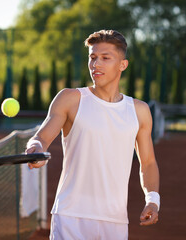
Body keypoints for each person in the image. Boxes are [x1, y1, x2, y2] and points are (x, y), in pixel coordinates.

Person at [26, 29, 160, 239]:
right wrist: (36, 148)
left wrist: (152, 199)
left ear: (122, 65)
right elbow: (42, 137)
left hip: (115, 221)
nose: (96, 64)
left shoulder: (139, 110)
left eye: (105, 58)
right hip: (70, 216)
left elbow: (148, 162)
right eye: (93, 58)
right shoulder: (70, 99)